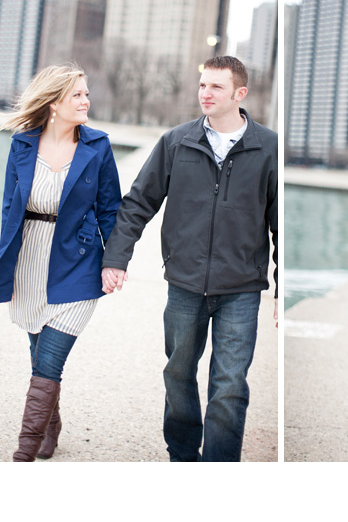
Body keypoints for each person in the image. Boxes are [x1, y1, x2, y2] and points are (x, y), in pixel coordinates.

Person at [101, 55, 278, 462]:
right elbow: (138, 203)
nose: (206, 93)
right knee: (178, 373)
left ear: (240, 93)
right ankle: (182, 456)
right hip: (184, 282)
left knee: (230, 384)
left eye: (216, 86)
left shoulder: (267, 148)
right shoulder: (177, 141)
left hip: (241, 289)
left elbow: (278, 225)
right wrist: (116, 258)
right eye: (203, 85)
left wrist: (280, 288)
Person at [0, 64, 121, 462]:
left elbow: (111, 210)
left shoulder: (98, 146)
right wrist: (4, 260)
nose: (86, 101)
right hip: (30, 257)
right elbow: (10, 206)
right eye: (77, 94)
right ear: (55, 103)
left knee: (50, 357)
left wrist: (115, 261)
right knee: (38, 351)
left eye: (86, 93)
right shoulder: (23, 145)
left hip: (78, 263)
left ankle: (26, 447)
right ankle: (50, 426)